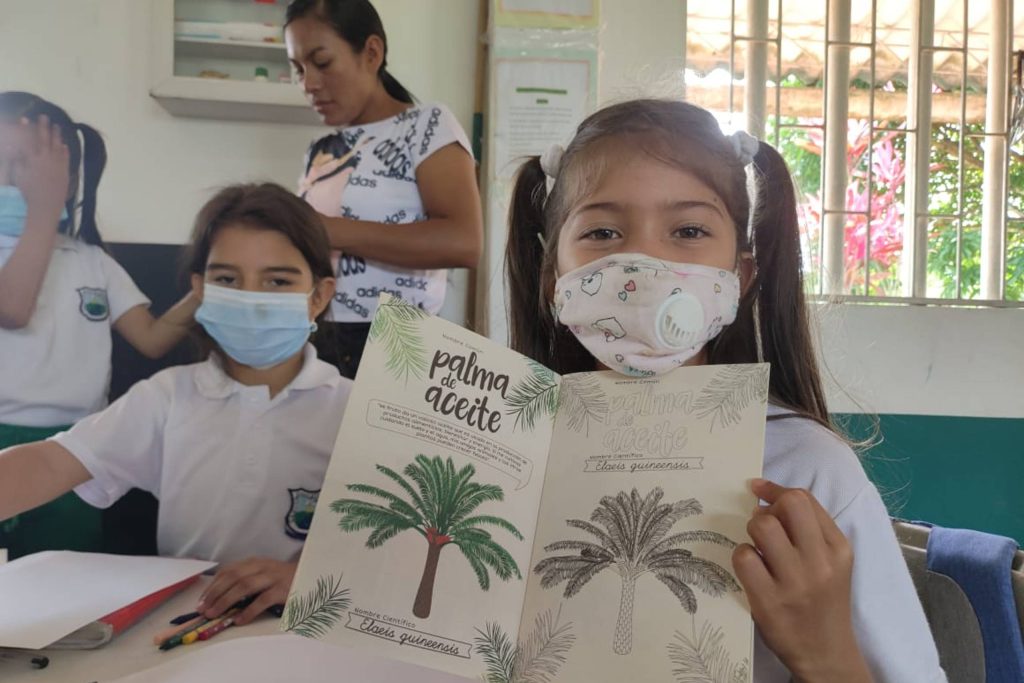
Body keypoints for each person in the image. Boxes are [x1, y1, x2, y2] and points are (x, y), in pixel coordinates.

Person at [504, 99, 946, 682]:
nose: (644, 264)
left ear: (739, 276)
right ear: (553, 275)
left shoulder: (805, 471)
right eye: (602, 232)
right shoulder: (506, 449)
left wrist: (825, 650)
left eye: (689, 231)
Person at [0, 183, 353, 625]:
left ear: (318, 296)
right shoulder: (167, 397)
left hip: (309, 632)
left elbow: (398, 547)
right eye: (227, 280)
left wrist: (306, 574)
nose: (250, 297)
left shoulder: (361, 412)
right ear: (200, 290)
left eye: (277, 281)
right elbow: (52, 463)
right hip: (185, 629)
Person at [0, 92, 197, 558]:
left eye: (24, 165)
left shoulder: (93, 262)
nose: (11, 178)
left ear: (67, 178)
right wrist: (44, 209)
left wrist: (205, 291)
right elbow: (13, 308)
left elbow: (152, 339)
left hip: (77, 448)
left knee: (64, 574)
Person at [285, 0, 483, 378]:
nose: (308, 84)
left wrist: (324, 229)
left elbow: (464, 242)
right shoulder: (321, 150)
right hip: (316, 333)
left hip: (395, 341)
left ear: (372, 53)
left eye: (322, 62)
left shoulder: (426, 125)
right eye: (298, 69)